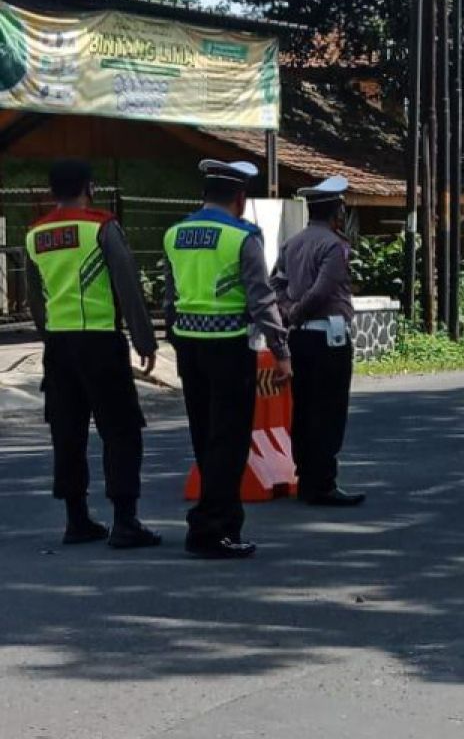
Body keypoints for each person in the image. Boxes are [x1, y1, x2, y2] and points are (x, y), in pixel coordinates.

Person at [24, 160, 162, 549]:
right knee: (121, 430)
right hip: (99, 340)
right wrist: (144, 339)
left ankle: (76, 519)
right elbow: (127, 284)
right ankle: (124, 520)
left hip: (59, 345)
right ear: (90, 187)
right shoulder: (101, 227)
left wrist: (49, 337)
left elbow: (36, 299)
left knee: (67, 431)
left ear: (52, 191)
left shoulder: (35, 235)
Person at [163, 160, 292, 559]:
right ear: (239, 198)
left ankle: (223, 524)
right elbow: (262, 299)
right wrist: (282, 351)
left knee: (205, 435)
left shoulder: (175, 234)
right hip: (229, 344)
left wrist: (174, 335)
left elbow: (170, 295)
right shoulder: (242, 236)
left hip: (189, 345)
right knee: (230, 440)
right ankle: (210, 528)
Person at [270, 176, 365, 506]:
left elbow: (276, 284)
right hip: (329, 338)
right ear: (336, 211)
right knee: (329, 409)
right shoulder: (334, 246)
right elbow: (323, 290)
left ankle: (307, 474)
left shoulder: (292, 244)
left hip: (300, 340)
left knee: (305, 407)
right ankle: (323, 481)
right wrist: (296, 311)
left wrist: (286, 310)